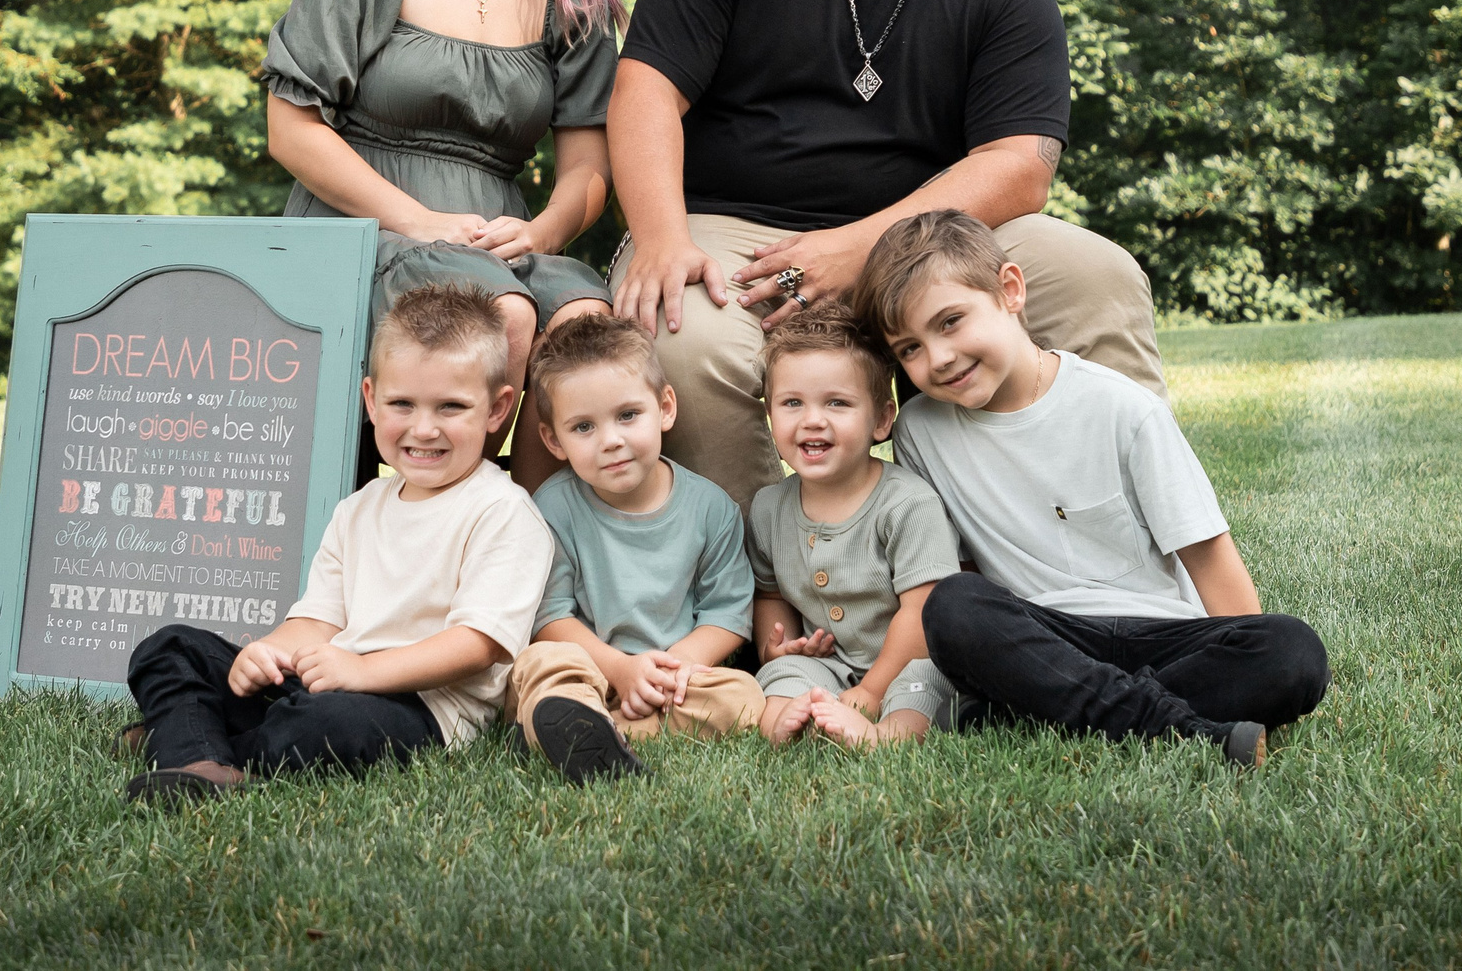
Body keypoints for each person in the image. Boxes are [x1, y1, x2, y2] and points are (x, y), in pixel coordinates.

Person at [608, 0, 1162, 507]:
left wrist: (861, 247)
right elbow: (644, 90)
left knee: (1096, 277)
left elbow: (1020, 167)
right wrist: (659, 238)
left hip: (925, 238)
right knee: (685, 336)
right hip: (735, 231)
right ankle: (756, 604)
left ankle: (1125, 557)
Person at [263, 0, 621, 488]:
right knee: (505, 318)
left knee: (587, 327)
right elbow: (292, 130)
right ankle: (443, 539)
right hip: (367, 233)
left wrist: (544, 230)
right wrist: (421, 223)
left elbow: (588, 163)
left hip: (500, 240)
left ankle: (526, 545)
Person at [858, 211, 1329, 768]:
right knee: (954, 608)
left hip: (1159, 633)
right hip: (1044, 639)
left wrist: (1244, 645)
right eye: (909, 349)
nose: (938, 358)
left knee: (1291, 651)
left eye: (951, 321)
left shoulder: (1122, 408)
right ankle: (1183, 730)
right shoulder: (921, 432)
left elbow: (1209, 559)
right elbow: (962, 574)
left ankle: (1036, 715)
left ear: (1009, 290)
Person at [119, 285, 552, 804]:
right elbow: (319, 619)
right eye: (401, 404)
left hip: (421, 710)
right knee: (171, 646)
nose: (424, 427)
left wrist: (365, 671)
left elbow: (478, 645)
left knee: (326, 724)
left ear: (496, 409)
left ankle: (191, 741)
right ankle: (200, 759)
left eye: (452, 406)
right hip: (328, 678)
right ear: (371, 400)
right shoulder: (360, 508)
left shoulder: (503, 511)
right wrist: (270, 652)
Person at [505, 314, 763, 783]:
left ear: (665, 407)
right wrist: (621, 671)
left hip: (672, 676)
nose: (612, 441)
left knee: (743, 695)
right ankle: (572, 717)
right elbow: (549, 619)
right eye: (583, 427)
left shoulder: (711, 509)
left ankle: (591, 735)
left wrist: (673, 670)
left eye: (628, 415)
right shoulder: (554, 509)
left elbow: (727, 615)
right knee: (540, 663)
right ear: (553, 440)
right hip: (586, 669)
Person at [746, 305, 962, 750]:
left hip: (909, 658)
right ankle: (785, 723)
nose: (812, 420)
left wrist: (872, 690)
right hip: (830, 661)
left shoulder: (908, 504)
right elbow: (769, 593)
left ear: (882, 419)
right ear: (771, 415)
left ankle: (888, 737)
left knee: (927, 679)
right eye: (792, 403)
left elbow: (922, 611)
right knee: (779, 675)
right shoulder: (769, 507)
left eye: (837, 403)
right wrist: (777, 646)